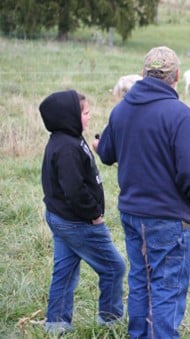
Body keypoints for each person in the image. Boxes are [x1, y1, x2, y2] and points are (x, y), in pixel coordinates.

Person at [94, 46, 190, 338]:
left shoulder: (122, 109)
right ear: (177, 76)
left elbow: (106, 153)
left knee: (141, 281)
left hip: (132, 213)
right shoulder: (179, 114)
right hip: (167, 216)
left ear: (143, 74)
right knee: (166, 286)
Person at [39, 90, 126, 334]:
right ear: (69, 116)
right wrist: (94, 215)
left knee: (65, 270)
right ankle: (110, 321)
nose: (90, 116)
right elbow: (74, 190)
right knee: (114, 267)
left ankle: (56, 325)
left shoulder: (68, 138)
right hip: (77, 221)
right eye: (85, 113)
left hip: (61, 217)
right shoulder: (66, 147)